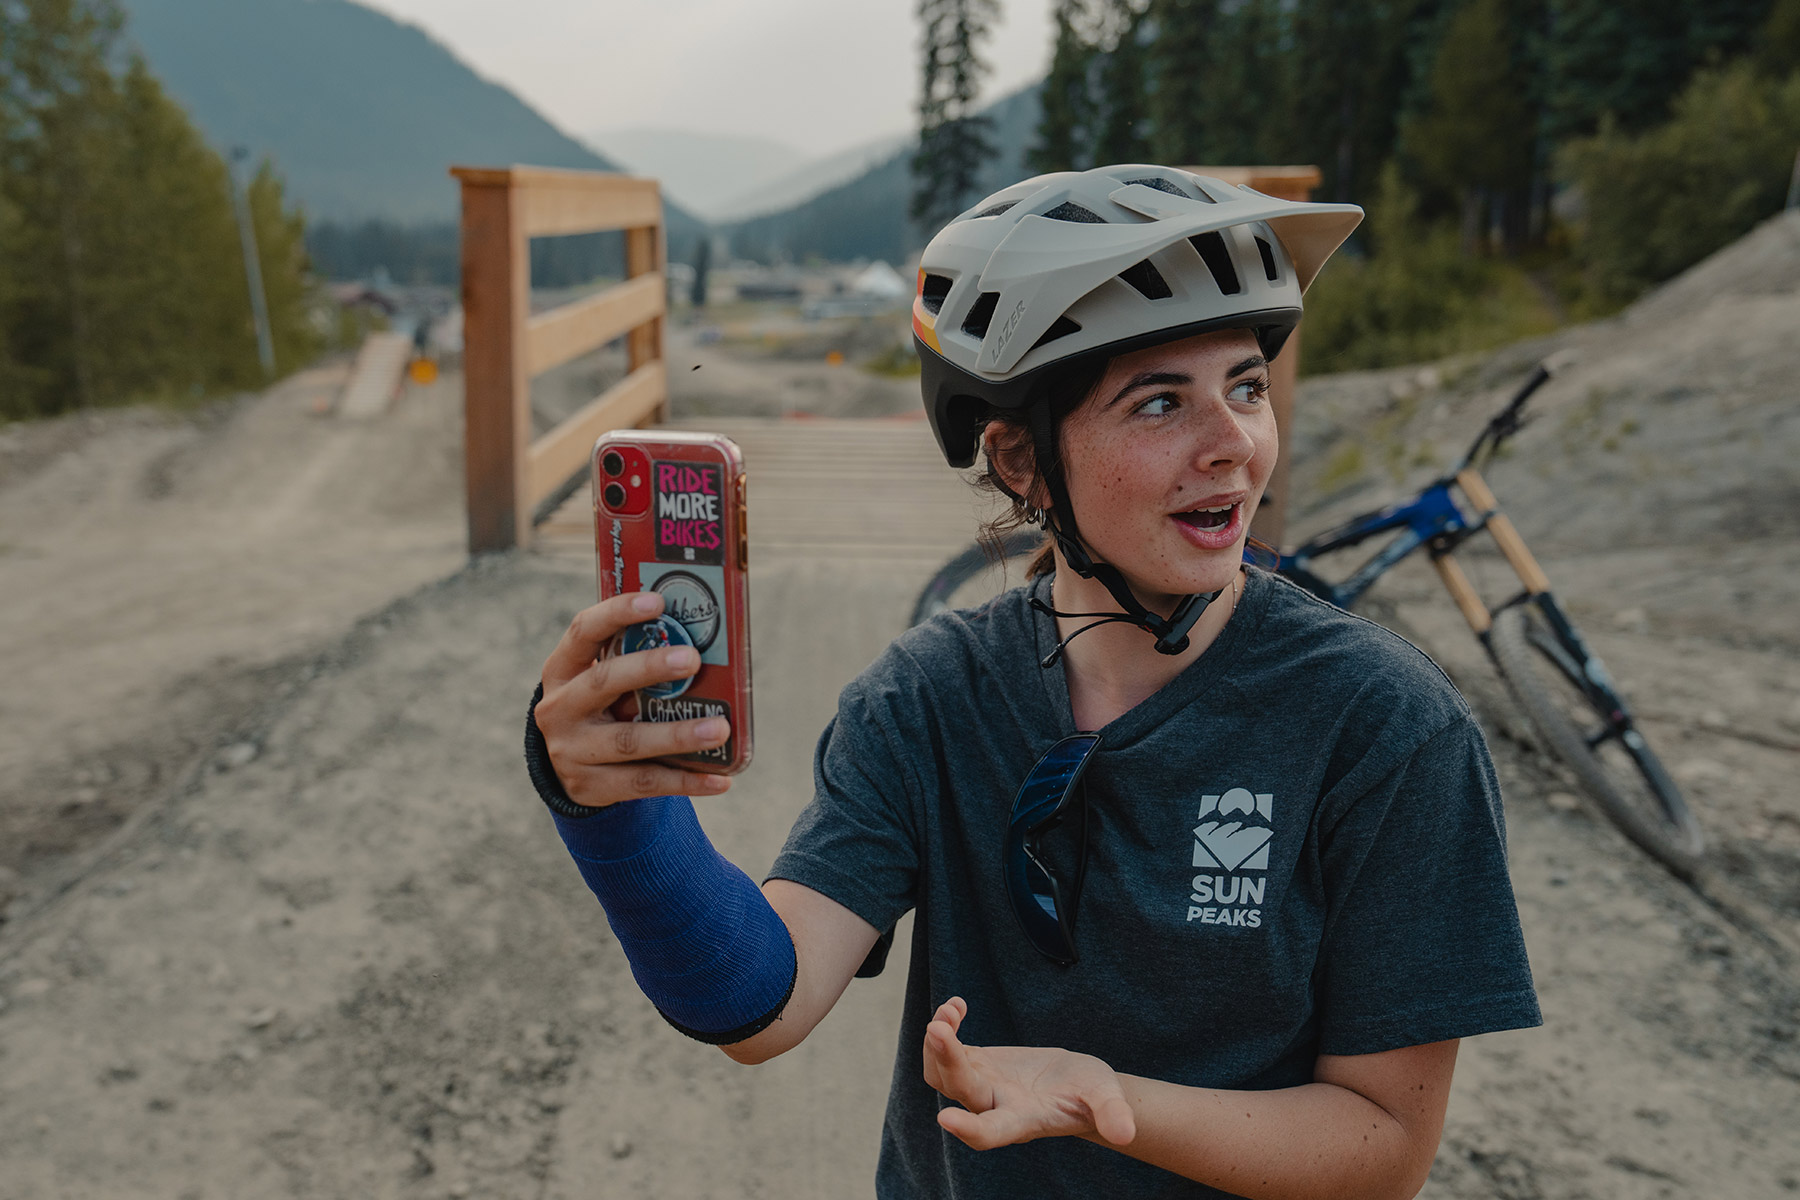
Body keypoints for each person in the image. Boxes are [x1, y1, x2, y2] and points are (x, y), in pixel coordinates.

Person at [524, 165, 1541, 1199]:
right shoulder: (927, 697)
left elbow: (1384, 1149)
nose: (1234, 444)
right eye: (1160, 403)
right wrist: (614, 815)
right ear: (1020, 461)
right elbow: (758, 1001)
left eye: (1246, 387)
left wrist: (1105, 1101)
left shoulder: (1384, 725)